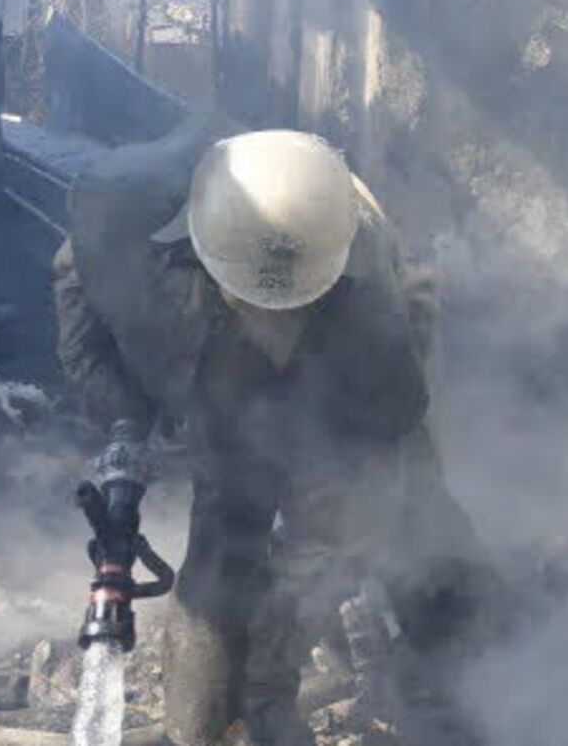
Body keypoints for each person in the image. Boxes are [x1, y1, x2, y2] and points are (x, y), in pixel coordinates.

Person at [53, 118, 496, 746]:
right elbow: (81, 312)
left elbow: (358, 483)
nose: (270, 321)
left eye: (284, 309)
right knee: (223, 548)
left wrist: (271, 673)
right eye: (258, 307)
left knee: (415, 526)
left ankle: (465, 688)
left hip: (350, 380)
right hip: (219, 365)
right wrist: (124, 415)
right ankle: (199, 728)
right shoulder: (120, 221)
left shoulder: (365, 297)